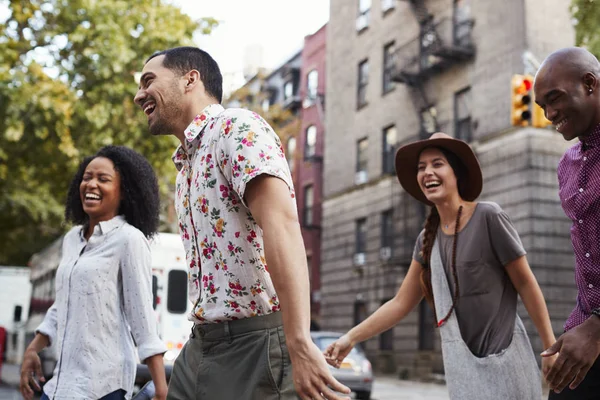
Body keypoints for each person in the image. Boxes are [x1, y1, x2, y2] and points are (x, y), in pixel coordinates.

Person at [133, 46, 350, 400]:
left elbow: (282, 225)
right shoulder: (186, 167)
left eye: (148, 80)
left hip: (257, 345)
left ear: (190, 79)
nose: (139, 94)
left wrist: (298, 341)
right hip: (201, 343)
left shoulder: (236, 128)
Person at [323, 132, 556, 399]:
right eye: (421, 168)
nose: (427, 172)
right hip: (463, 375)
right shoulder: (426, 241)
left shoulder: (489, 217)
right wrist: (349, 338)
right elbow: (400, 303)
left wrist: (550, 346)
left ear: (456, 173)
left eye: (437, 164)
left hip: (508, 366)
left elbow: (526, 283)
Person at [19, 146, 168, 400]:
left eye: (103, 179)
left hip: (102, 388)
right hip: (61, 385)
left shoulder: (128, 240)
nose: (91, 184)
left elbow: (142, 316)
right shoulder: (72, 240)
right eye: (87, 177)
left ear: (124, 192)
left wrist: (161, 388)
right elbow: (62, 304)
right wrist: (32, 349)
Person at [534, 47, 600, 399]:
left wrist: (598, 328)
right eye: (542, 106)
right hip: (583, 335)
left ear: (590, 84)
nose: (549, 114)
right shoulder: (567, 165)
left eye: (554, 99)